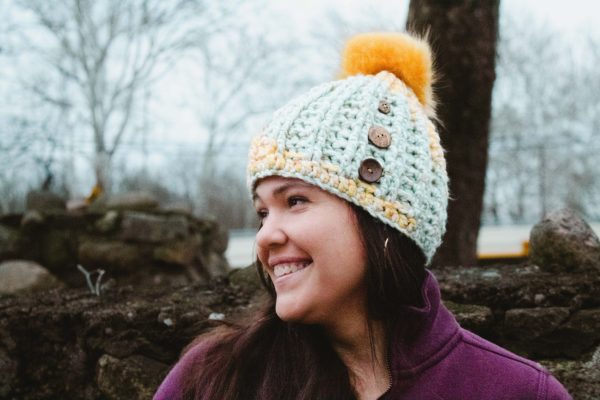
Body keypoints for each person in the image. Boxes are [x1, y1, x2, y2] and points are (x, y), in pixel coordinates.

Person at [154, 32, 571, 400]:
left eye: (295, 201)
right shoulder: (210, 380)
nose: (265, 237)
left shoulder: (518, 391)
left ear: (385, 220)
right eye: (263, 212)